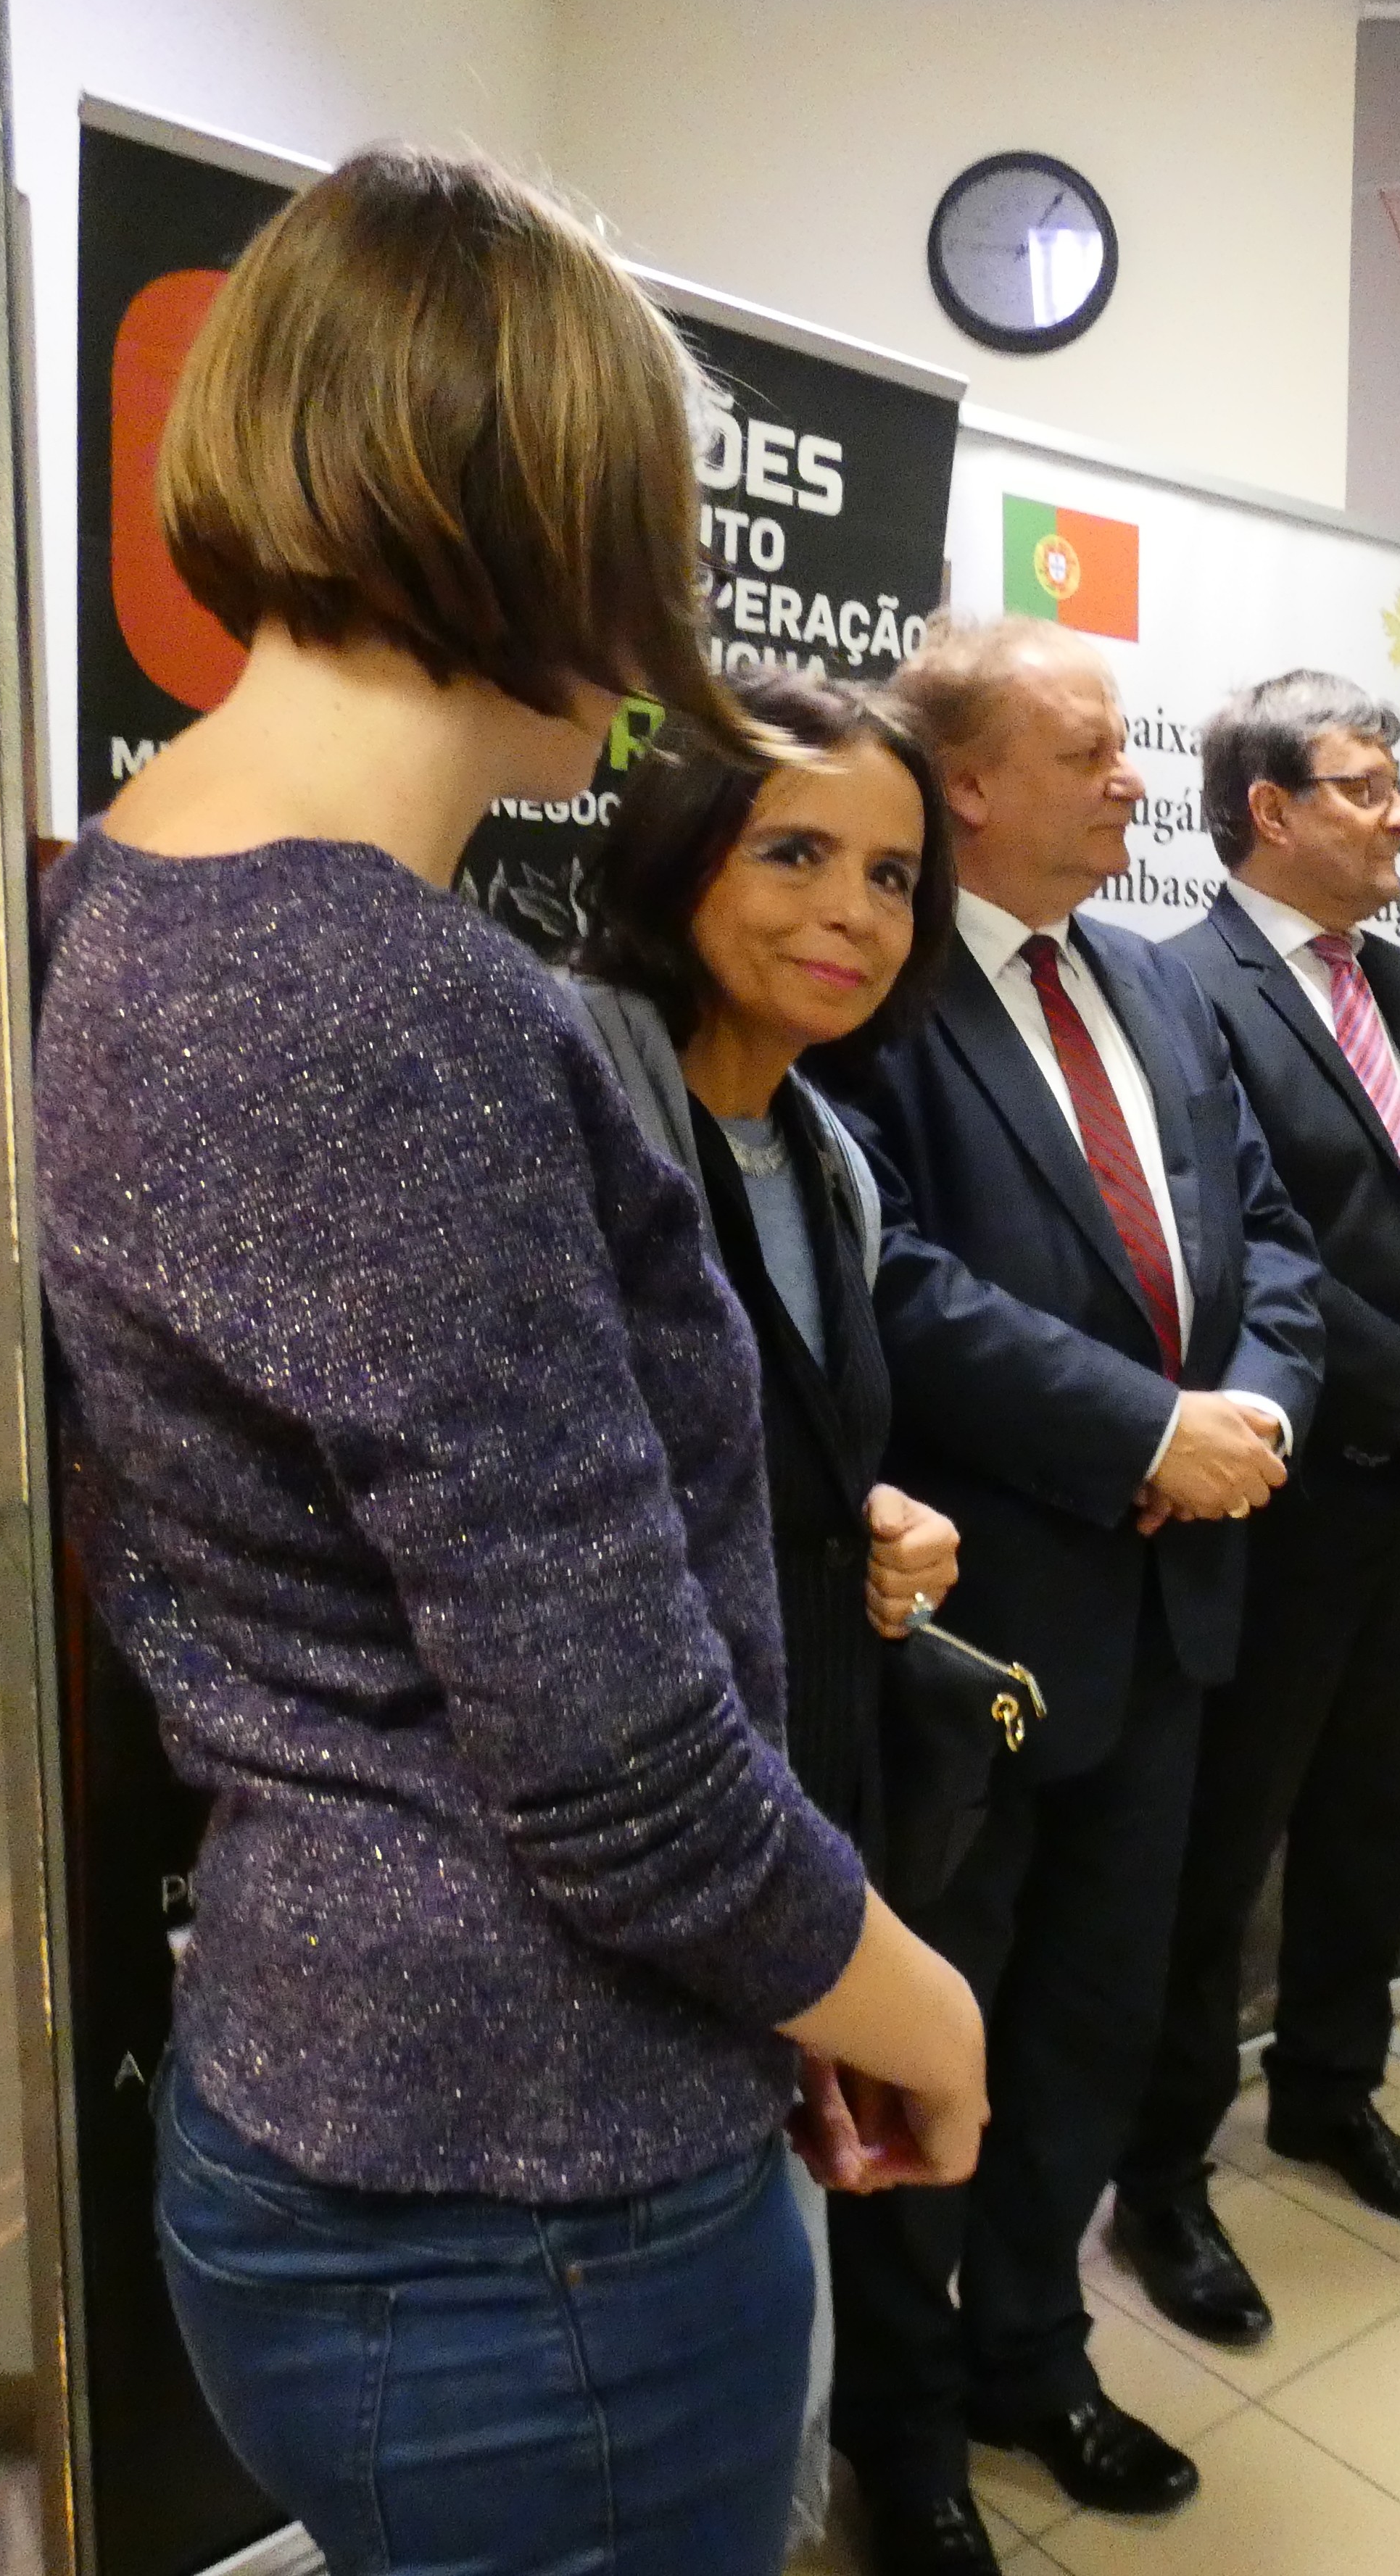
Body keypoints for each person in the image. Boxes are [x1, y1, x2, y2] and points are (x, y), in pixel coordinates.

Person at [33, 144, 986, 2576]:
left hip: (357, 2095)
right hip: (524, 2203)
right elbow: (616, 1773)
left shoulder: (127, 896)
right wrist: (907, 2002)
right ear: (558, 514)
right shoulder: (396, 1006)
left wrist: (778, 1990)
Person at [827, 612, 1323, 2576]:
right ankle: (903, 2435)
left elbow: (1272, 1235)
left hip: (1172, 1620)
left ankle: (1034, 2358)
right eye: (1091, 750)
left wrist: (1253, 1415)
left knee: (1091, 2030)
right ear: (963, 787)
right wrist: (1145, 1431)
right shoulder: (871, 999)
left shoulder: (1152, 984)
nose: (1135, 780)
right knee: (933, 2048)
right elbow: (896, 1284)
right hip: (974, 1640)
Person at [564, 665, 970, 2559]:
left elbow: (764, 1451)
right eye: (794, 853)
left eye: (893, 877)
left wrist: (868, 1514)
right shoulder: (573, 1120)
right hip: (621, 1877)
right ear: (674, 853)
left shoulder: (830, 1158)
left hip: (801, 1813)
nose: (852, 914)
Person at [1110, 671, 1400, 2347]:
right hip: (1273, 1500)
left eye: (1396, 783)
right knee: (1217, 1852)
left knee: (1373, 1816)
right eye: (1364, 786)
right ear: (1270, 810)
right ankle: (1162, 2178)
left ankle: (1329, 2093)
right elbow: (1242, 1251)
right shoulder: (1178, 990)